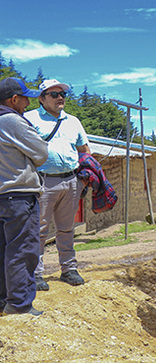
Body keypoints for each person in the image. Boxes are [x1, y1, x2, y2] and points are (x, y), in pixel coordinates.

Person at [24, 79, 90, 291]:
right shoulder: (28, 118)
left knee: (66, 229)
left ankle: (68, 269)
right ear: (42, 99)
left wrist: (85, 176)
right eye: (54, 94)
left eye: (62, 94)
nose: (60, 97)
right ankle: (35, 274)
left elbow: (84, 150)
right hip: (42, 181)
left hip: (71, 181)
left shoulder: (73, 121)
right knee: (39, 230)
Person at [0, 77, 48, 316]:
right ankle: (19, 305)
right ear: (14, 99)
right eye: (25, 98)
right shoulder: (12, 120)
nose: (28, 103)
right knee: (22, 249)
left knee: (3, 249)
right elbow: (41, 153)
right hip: (18, 196)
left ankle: (3, 300)